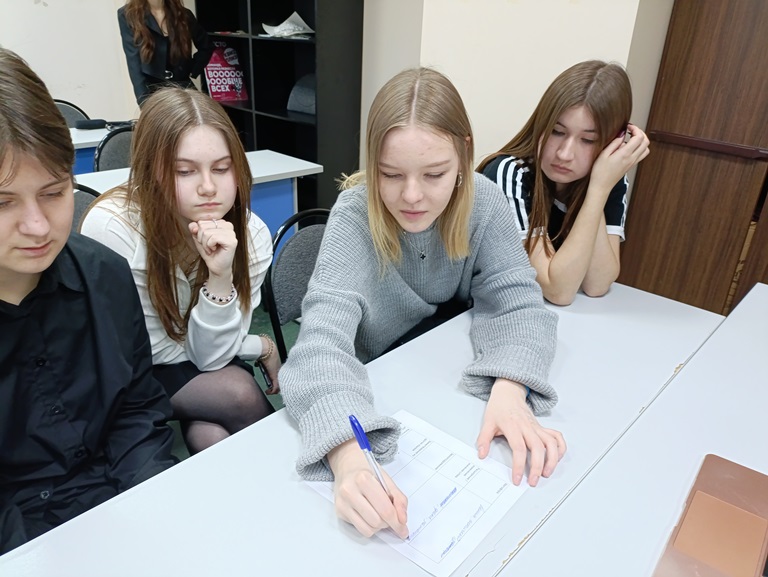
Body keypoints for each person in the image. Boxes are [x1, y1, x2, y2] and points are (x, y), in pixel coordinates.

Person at [280, 67, 565, 539]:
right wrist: (348, 454)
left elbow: (518, 302)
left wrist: (511, 388)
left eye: (435, 174)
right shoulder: (354, 217)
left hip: (441, 386)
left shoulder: (484, 202)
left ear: (464, 155)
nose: (411, 196)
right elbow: (318, 347)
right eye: (390, 175)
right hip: (375, 384)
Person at [0, 48, 176, 555]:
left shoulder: (105, 275)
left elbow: (136, 414)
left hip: (113, 502)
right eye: (3, 202)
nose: (38, 227)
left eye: (53, 193)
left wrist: (160, 509)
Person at [80, 87, 279, 454]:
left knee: (210, 435)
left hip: (209, 359)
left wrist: (220, 276)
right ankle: (291, 468)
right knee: (237, 393)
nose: (208, 188)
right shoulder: (115, 227)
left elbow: (212, 357)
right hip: (133, 371)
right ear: (151, 171)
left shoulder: (251, 235)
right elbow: (150, 350)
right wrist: (258, 346)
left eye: (222, 168)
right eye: (185, 171)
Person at [477, 60, 650, 306]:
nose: (565, 154)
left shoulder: (607, 176)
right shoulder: (510, 173)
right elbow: (557, 290)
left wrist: (598, 188)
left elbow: (597, 284)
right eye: (557, 132)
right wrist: (598, 190)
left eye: (588, 140)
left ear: (614, 142)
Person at [118, 0, 213, 105]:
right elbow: (134, 64)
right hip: (152, 91)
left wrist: (192, 70)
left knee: (202, 112)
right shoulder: (128, 15)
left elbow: (206, 46)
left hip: (182, 87)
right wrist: (144, 103)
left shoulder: (184, 14)